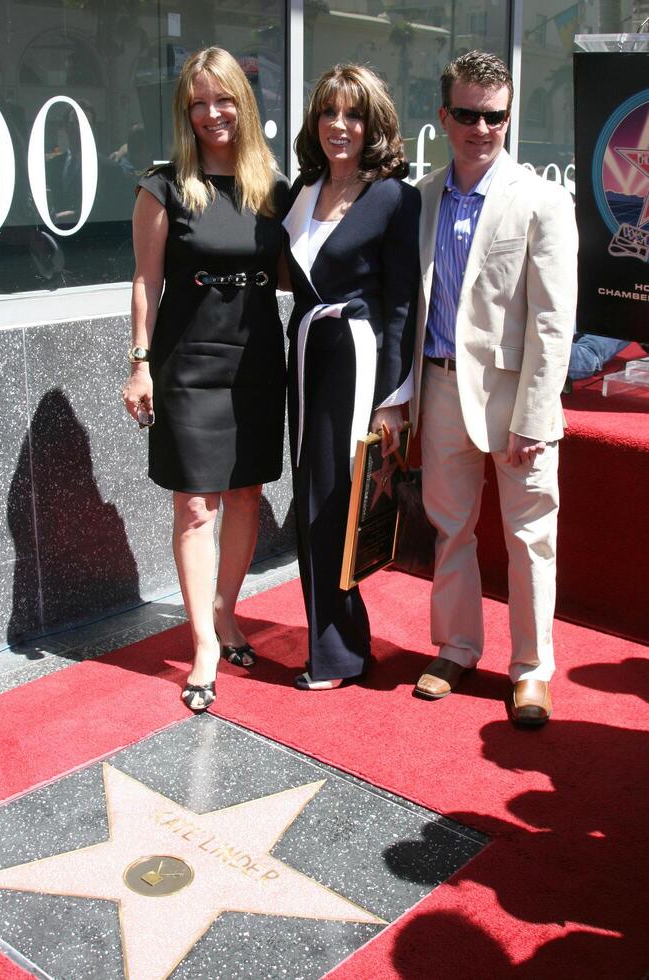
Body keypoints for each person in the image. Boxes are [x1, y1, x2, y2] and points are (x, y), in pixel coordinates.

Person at [411, 51, 578, 725]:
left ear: (510, 117)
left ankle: (532, 668)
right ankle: (456, 646)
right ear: (445, 115)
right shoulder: (418, 198)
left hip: (518, 398)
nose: (483, 128)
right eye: (469, 114)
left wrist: (537, 415)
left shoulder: (541, 199)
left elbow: (554, 318)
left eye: (496, 115)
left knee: (530, 536)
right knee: (450, 531)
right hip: (440, 386)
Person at [122, 47, 289, 712]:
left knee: (246, 495)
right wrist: (140, 363)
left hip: (254, 364)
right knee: (196, 506)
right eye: (199, 102)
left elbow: (288, 273)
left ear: (243, 106)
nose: (211, 112)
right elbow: (145, 281)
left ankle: (226, 612)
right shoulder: (162, 187)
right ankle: (203, 647)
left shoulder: (271, 190)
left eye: (224, 100)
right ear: (185, 111)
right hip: (188, 367)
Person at [283, 64, 420, 690]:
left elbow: (401, 304)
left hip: (358, 359)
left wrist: (393, 399)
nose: (340, 126)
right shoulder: (303, 190)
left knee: (335, 500)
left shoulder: (394, 195)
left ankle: (338, 652)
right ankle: (342, 644)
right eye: (329, 113)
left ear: (374, 124)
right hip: (307, 353)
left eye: (354, 114)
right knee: (311, 494)